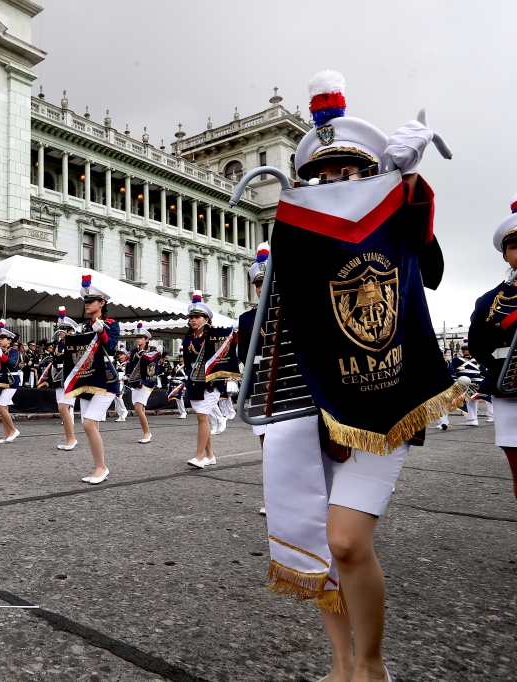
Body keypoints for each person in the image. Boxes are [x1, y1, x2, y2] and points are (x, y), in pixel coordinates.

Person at [253, 70, 461, 682]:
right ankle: (342, 664)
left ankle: (372, 667)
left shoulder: (392, 221)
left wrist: (408, 185)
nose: (333, 184)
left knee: (346, 541)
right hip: (301, 400)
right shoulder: (298, 231)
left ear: (369, 176)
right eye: (321, 175)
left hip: (377, 399)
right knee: (319, 544)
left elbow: (429, 258)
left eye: (348, 173)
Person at [467, 194, 517, 498]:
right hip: (511, 392)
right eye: (515, 246)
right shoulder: (488, 302)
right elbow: (478, 345)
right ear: (505, 255)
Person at [60, 275, 120, 484]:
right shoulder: (84, 327)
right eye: (85, 301)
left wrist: (102, 331)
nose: (87, 305)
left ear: (102, 303)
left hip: (106, 380)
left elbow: (111, 347)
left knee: (88, 424)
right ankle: (99, 465)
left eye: (91, 301)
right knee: (90, 425)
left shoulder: (111, 324)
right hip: (87, 380)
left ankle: (101, 468)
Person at [183, 291, 234, 468]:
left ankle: (198, 456)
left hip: (212, 384)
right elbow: (188, 362)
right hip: (196, 383)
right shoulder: (188, 338)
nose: (193, 320)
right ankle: (210, 455)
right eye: (191, 317)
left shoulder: (214, 335)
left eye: (197, 317)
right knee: (202, 417)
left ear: (206, 319)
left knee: (202, 416)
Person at [240, 243, 270, 515]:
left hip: (288, 387)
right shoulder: (246, 319)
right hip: (259, 385)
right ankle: (273, 498)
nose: (261, 287)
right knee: (266, 446)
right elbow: (243, 356)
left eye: (267, 280)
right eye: (258, 283)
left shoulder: (291, 312)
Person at [40, 306, 79, 450]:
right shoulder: (59, 344)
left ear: (70, 330)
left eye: (63, 328)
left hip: (69, 377)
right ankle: (70, 438)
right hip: (58, 377)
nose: (60, 331)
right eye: (59, 328)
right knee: (62, 408)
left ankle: (72, 439)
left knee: (65, 407)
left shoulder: (74, 343)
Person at [126, 323, 161, 444]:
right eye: (137, 337)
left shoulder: (153, 350)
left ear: (146, 339)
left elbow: (153, 366)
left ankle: (147, 433)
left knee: (138, 407)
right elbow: (129, 366)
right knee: (139, 408)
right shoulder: (134, 351)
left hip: (147, 382)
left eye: (141, 338)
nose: (138, 340)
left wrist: (143, 356)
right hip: (135, 382)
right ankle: (146, 432)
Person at [448, 345, 487, 426]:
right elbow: (451, 370)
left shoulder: (477, 360)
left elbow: (483, 372)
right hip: (464, 383)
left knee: (470, 401)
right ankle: (473, 419)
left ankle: (472, 419)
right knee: (471, 401)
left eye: (466, 350)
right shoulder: (457, 359)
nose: (465, 351)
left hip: (473, 383)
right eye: (464, 350)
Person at [112, 349, 130, 422]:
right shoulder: (115, 363)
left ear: (125, 355)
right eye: (119, 355)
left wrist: (123, 377)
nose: (120, 357)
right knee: (116, 398)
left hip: (122, 383)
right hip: (115, 382)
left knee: (118, 397)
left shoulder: (128, 363)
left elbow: (130, 374)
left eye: (122, 355)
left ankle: (124, 412)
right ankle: (121, 415)